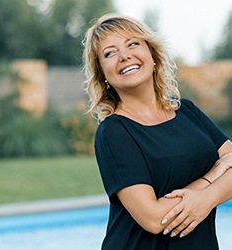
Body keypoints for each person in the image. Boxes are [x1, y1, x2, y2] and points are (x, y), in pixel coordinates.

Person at [82, 13, 232, 250]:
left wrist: (208, 198)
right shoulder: (114, 132)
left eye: (133, 43)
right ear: (104, 75)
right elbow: (153, 219)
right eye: (110, 53)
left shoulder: (188, 112)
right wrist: (212, 178)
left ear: (152, 55)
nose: (124, 56)